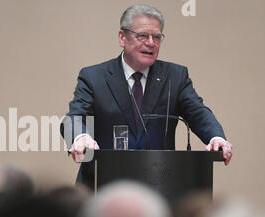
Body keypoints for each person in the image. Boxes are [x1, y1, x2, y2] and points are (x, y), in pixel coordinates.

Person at [62, 4, 233, 189]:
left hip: (158, 185)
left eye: (157, 37)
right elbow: (74, 118)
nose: (151, 43)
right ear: (122, 37)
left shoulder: (174, 76)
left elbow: (197, 112)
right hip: (102, 185)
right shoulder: (94, 77)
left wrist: (216, 137)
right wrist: (79, 137)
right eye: (142, 35)